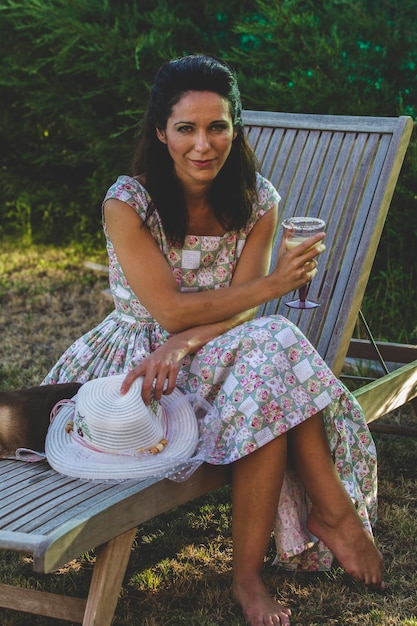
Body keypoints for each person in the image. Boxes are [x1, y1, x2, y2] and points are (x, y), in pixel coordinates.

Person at [42, 54, 384, 625]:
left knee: (266, 361)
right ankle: (330, 517)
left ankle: (257, 571)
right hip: (139, 360)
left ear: (235, 128)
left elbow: (247, 305)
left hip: (221, 349)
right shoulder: (128, 203)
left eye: (217, 126)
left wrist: (192, 338)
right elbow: (170, 312)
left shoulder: (257, 200)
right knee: (270, 355)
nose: (204, 144)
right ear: (161, 133)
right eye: (186, 129)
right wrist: (261, 293)